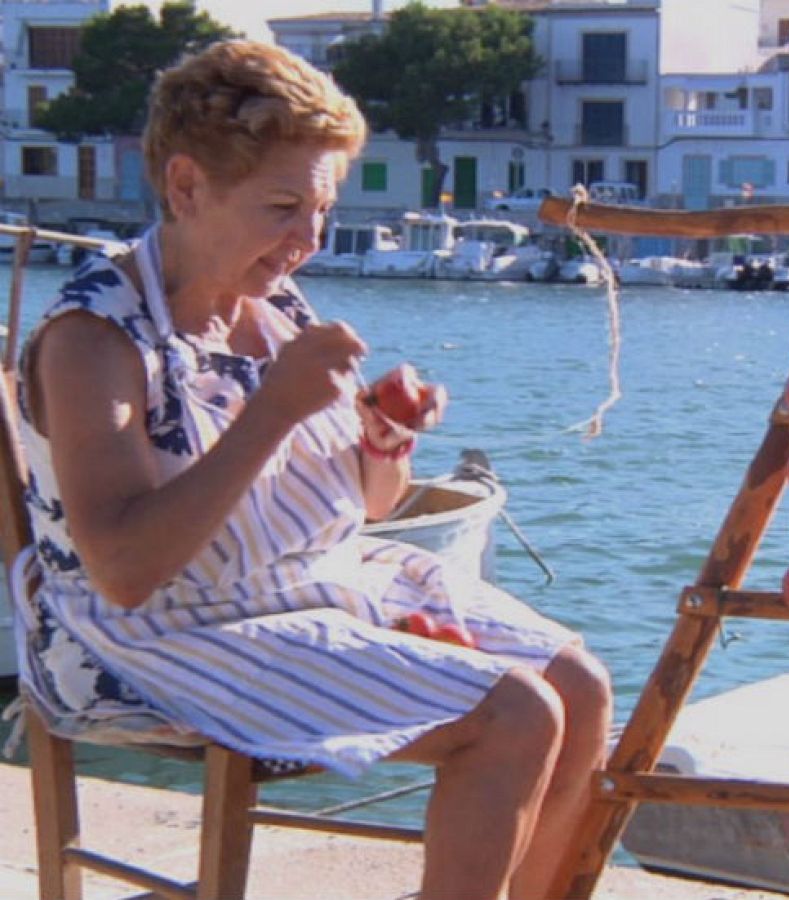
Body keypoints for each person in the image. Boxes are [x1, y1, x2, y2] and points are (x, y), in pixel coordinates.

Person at [15, 41, 611, 900]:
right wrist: (273, 412)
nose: (308, 240)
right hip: (160, 630)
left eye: (321, 208)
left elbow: (369, 508)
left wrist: (381, 441)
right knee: (514, 715)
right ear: (186, 188)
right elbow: (125, 570)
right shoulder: (93, 341)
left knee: (580, 687)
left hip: (307, 584)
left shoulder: (273, 305)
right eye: (284, 206)